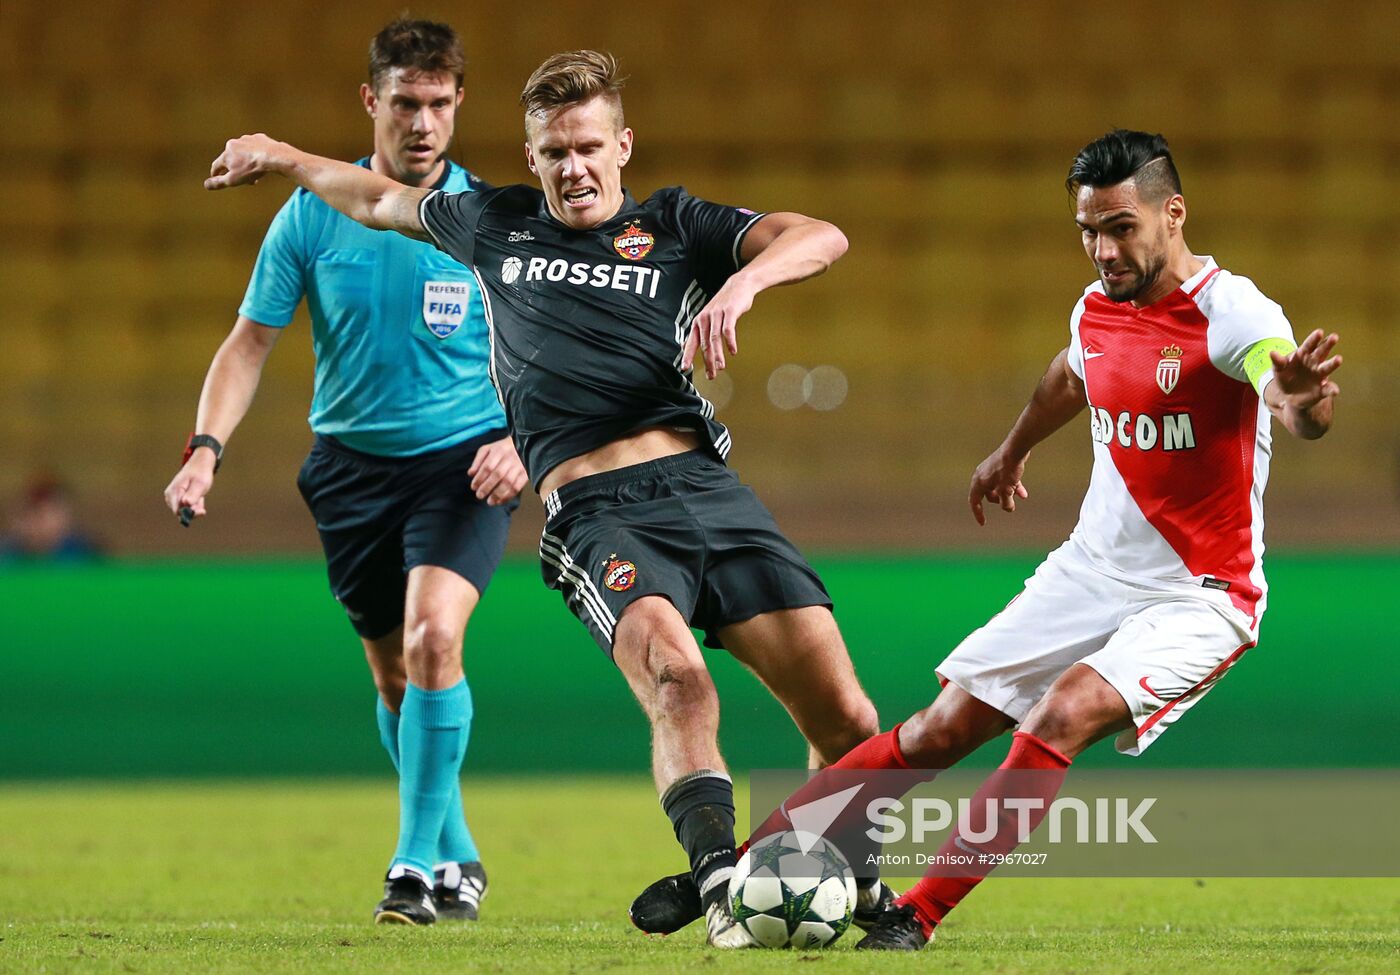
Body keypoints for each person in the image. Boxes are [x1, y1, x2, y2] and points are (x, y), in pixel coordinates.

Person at [203, 49, 885, 947]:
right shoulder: (493, 224)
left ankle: (834, 881)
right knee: (677, 678)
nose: (573, 167)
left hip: (708, 490)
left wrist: (746, 281)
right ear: (532, 159)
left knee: (852, 720)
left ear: (622, 146)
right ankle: (726, 885)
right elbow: (372, 199)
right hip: (597, 509)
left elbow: (822, 235)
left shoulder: (678, 224)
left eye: (589, 147)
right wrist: (284, 156)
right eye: (555, 152)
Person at [638, 128, 1344, 950]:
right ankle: (730, 869)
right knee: (940, 727)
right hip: (1090, 571)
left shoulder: (1234, 313)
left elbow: (1294, 403)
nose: (1103, 249)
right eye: (1088, 229)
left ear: (1172, 213)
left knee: (1061, 713)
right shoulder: (1096, 308)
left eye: (1121, 227)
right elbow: (1068, 374)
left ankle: (916, 913)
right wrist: (1012, 449)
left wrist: (1301, 400)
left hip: (1200, 594)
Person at [164, 18, 526, 926]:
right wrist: (204, 452)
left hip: (462, 464)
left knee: (434, 640)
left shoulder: (488, 220)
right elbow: (249, 343)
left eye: (440, 103)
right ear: (373, 101)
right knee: (396, 680)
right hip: (350, 472)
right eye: (406, 102)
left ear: (458, 106)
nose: (423, 122)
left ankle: (410, 866)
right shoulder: (310, 214)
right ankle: (457, 851)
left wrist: (522, 440)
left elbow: (548, 352)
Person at [0, 475, 102, 563]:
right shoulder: (7, 556)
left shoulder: (84, 555)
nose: (38, 523)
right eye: (32, 513)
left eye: (46, 514)